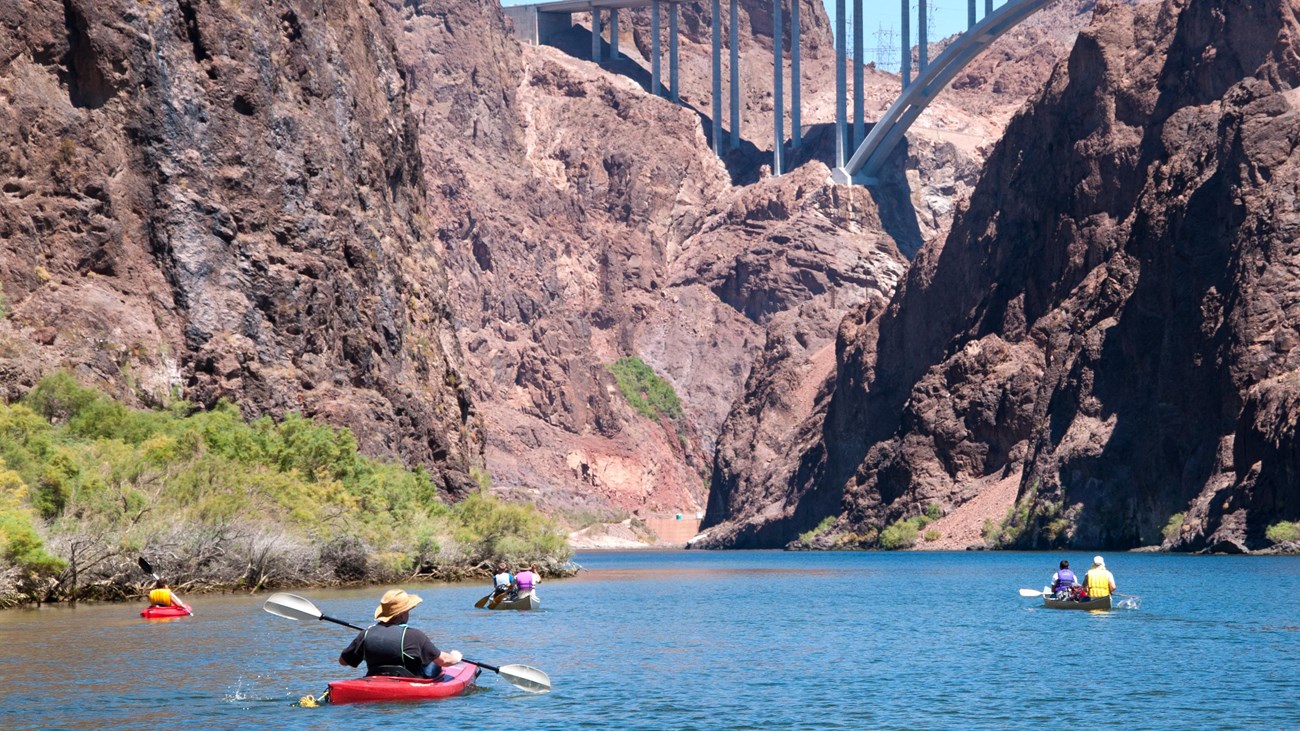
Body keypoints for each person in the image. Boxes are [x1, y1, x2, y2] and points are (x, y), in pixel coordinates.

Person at [339, 589, 462, 679]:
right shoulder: (415, 636)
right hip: (410, 684)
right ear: (402, 614)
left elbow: (343, 662)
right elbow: (444, 661)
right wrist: (455, 657)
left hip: (375, 680)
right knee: (431, 663)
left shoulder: (365, 634)